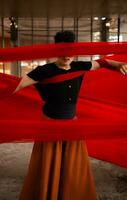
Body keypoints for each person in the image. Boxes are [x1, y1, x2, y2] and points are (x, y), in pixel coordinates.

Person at [14, 31, 127, 200]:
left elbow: (101, 63)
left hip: (73, 126)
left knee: (72, 166)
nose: (67, 56)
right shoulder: (44, 71)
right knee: (49, 167)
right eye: (62, 52)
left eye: (71, 51)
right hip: (50, 127)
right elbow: (17, 85)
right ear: (55, 51)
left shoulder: (78, 66)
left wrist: (116, 65)